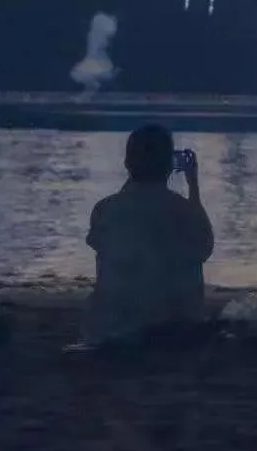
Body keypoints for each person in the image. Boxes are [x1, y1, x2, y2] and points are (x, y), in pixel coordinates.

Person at [83, 126, 215, 348]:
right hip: (173, 328)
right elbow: (204, 247)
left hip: (112, 328)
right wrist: (193, 184)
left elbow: (99, 241)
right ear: (169, 165)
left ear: (127, 162)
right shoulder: (184, 210)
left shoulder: (104, 209)